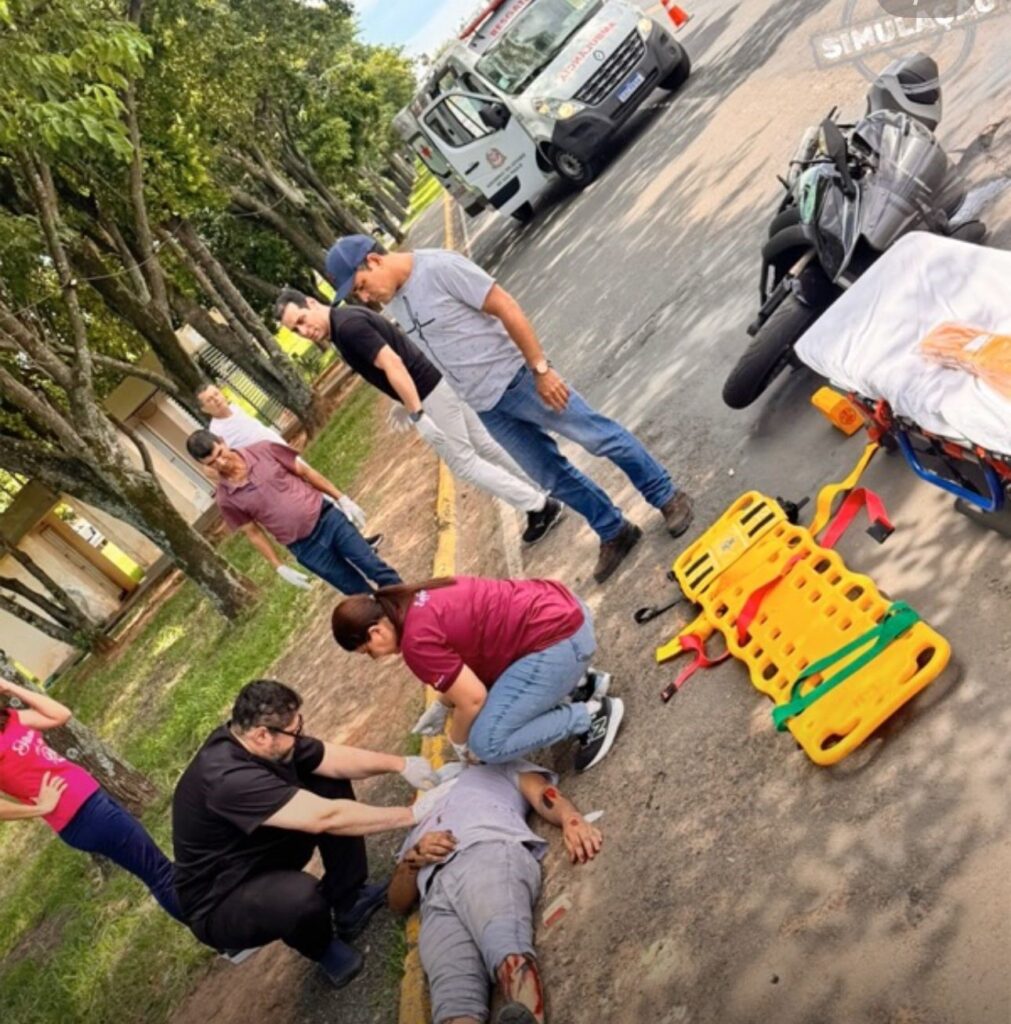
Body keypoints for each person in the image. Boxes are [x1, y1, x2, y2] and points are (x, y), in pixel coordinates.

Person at [322, 235, 694, 583]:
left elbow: (505, 306)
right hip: (487, 406)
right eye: (358, 294)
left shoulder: (440, 268)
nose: (365, 297)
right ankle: (613, 529)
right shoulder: (396, 300)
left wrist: (541, 370)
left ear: (374, 261)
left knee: (598, 437)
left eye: (362, 286)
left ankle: (667, 496)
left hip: (520, 380)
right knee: (550, 476)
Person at [172, 679, 443, 988]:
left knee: (327, 780)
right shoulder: (226, 779)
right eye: (294, 731)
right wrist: (412, 814)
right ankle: (322, 948)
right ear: (262, 735)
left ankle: (348, 899)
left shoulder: (259, 742)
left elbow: (330, 759)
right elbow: (325, 817)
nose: (300, 736)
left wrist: (401, 765)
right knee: (300, 898)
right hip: (223, 898)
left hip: (255, 853)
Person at [274, 288, 564, 546]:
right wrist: (403, 402)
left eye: (302, 320)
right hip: (435, 383)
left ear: (312, 303)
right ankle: (541, 490)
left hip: (429, 392)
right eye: (296, 330)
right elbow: (395, 354)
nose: (304, 331)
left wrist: (417, 413)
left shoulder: (347, 327)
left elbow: (393, 363)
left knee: (464, 463)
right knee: (484, 445)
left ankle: (539, 505)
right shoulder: (343, 323)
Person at [330, 577, 623, 773]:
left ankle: (590, 716)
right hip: (568, 613)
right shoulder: (417, 597)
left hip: (562, 643)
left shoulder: (414, 644)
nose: (377, 657)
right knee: (489, 694)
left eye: (369, 652)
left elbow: (473, 699)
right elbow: (466, 668)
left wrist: (459, 742)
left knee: (487, 742)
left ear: (376, 632)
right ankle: (580, 684)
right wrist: (443, 704)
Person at [387, 761, 602, 1024]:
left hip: (485, 853)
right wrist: (413, 857)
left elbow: (542, 793)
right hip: (435, 896)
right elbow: (397, 902)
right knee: (453, 1005)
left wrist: (571, 819)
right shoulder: (417, 821)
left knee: (506, 950)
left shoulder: (494, 768)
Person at [0, 675, 183, 921]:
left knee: (159, 870)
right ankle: (218, 932)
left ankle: (216, 926)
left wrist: (10, 687)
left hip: (94, 799)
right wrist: (39, 808)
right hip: (81, 818)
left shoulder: (10, 719)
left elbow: (60, 715)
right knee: (160, 873)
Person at [185, 430, 401, 595]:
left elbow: (306, 472)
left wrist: (341, 497)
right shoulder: (226, 498)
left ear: (223, 442)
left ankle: (413, 606)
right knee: (358, 594)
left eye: (220, 453)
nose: (221, 462)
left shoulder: (264, 449)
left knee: (375, 567)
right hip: (305, 548)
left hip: (328, 520)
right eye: (212, 463)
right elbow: (253, 533)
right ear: (203, 465)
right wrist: (278, 566)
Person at [195, 382, 380, 547]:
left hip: (283, 455)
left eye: (216, 394)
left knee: (321, 490)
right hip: (270, 470)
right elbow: (212, 467)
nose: (216, 400)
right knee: (314, 501)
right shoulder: (216, 433)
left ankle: (356, 535)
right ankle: (355, 542)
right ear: (204, 409)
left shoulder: (236, 409)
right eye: (209, 400)